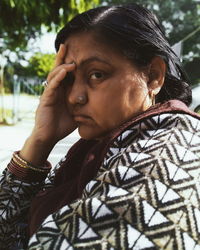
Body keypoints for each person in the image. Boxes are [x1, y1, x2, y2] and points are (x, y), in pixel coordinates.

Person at [1, 3, 200, 249]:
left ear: (153, 76)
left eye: (97, 74)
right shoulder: (98, 146)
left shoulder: (168, 155)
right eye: (69, 79)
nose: (74, 97)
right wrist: (40, 140)